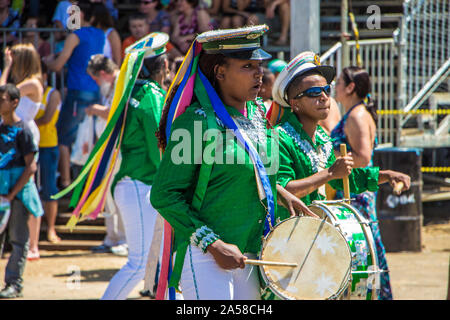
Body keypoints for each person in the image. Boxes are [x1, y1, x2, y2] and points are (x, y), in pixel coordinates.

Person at [150, 25, 316, 300]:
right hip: (206, 255)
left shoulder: (259, 115)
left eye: (259, 65)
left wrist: (280, 192)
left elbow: (251, 170)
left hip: (251, 252)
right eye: (247, 66)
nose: (258, 73)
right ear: (220, 72)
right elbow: (164, 195)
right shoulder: (196, 123)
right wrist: (213, 244)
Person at [271, 52, 411, 300]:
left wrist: (385, 174)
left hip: (316, 238)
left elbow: (345, 178)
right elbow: (284, 191)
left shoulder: (323, 139)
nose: (324, 97)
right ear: (294, 103)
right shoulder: (279, 138)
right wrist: (328, 173)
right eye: (314, 93)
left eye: (326, 89)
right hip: (288, 241)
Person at [101, 32, 171, 300]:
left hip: (135, 185)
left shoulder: (134, 93)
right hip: (141, 185)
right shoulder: (151, 94)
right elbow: (160, 148)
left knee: (162, 262)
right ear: (162, 67)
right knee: (140, 263)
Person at [331, 66, 393, 300]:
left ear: (350, 87)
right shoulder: (353, 112)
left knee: (364, 249)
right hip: (352, 188)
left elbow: (364, 157)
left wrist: (331, 158)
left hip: (356, 192)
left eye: (338, 83)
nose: (334, 87)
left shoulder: (357, 115)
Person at [43, 0, 105, 189]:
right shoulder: (100, 34)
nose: (69, 18)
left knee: (63, 138)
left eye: (72, 14)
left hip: (78, 92)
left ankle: (66, 183)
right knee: (88, 138)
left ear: (81, 15)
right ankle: (90, 184)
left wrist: (44, 62)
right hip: (95, 91)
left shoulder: (75, 36)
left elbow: (57, 65)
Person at [0, 43, 43, 261]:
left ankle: (33, 244)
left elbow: (3, 92)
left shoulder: (33, 82)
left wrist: (6, 67)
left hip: (24, 135)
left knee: (29, 191)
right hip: (11, 134)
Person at [0, 83, 43, 298]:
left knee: (18, 239)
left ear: (15, 102)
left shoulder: (24, 130)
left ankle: (14, 284)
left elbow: (31, 166)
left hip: (17, 195)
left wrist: (12, 193)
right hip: (1, 195)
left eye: (3, 99)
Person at [85, 54, 127, 256]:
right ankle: (112, 237)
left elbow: (116, 112)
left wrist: (96, 110)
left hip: (118, 148)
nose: (95, 82)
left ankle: (123, 239)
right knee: (109, 193)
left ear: (102, 73)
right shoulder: (112, 83)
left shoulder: (122, 80)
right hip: (109, 149)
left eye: (95, 78)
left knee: (117, 192)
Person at [34, 63, 62, 245]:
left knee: (50, 188)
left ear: (45, 75)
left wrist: (24, 123)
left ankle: (51, 229)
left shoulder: (53, 93)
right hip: (30, 146)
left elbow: (47, 119)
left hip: (47, 145)